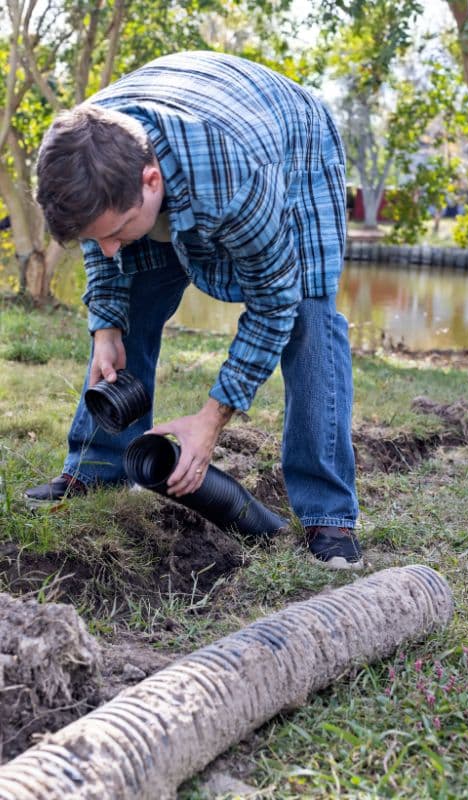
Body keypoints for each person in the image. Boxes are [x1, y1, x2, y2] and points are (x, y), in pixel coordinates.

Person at [27, 51, 362, 570]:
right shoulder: (85, 145)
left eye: (117, 231)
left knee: (309, 321)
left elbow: (275, 301)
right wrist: (106, 327)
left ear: (150, 182)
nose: (110, 248)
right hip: (184, 134)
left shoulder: (235, 174)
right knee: (131, 296)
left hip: (292, 145)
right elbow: (102, 243)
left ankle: (329, 516)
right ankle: (97, 466)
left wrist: (211, 420)